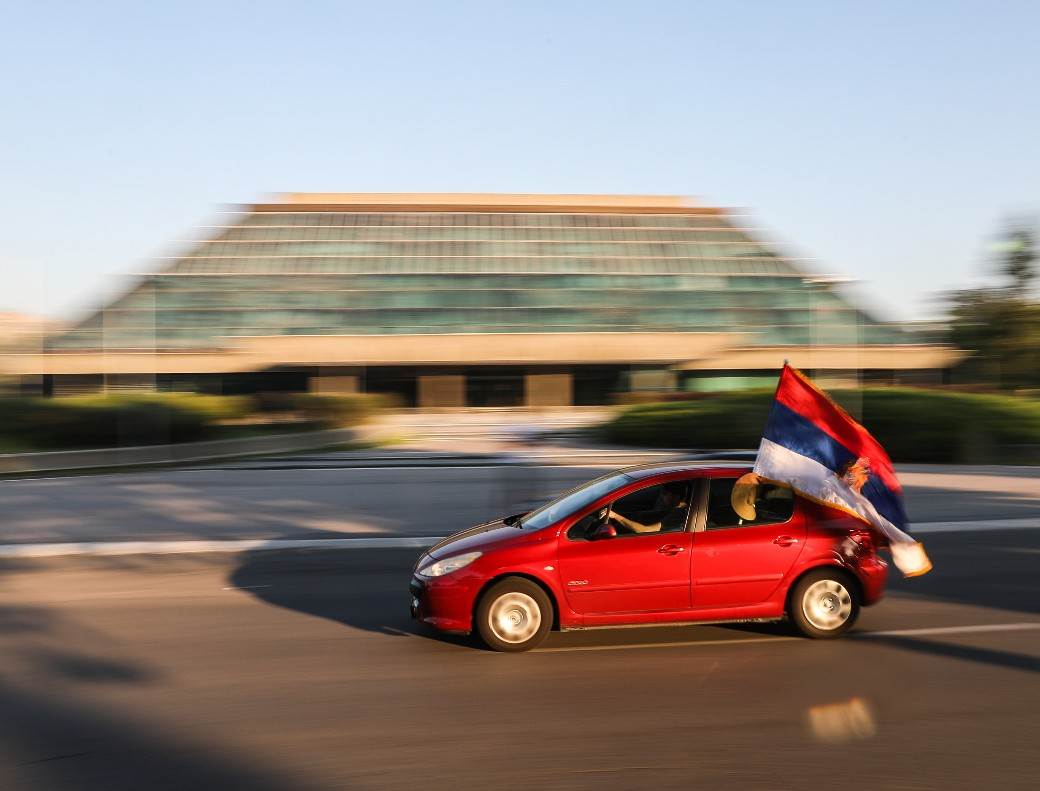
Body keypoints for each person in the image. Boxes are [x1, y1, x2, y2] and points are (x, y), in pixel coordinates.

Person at [608, 482, 689, 534]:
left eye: (664, 493)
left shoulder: (679, 514)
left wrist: (616, 516)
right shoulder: (675, 510)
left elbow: (645, 530)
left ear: (675, 496)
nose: (662, 497)